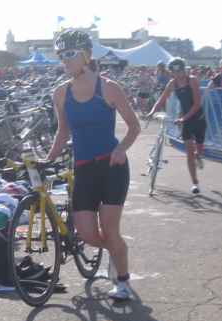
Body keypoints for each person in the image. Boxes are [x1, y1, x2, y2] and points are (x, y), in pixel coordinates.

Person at [46, 30, 141, 300]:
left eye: (69, 54)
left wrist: (122, 148)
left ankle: (122, 280)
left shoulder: (108, 87)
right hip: (84, 169)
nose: (64, 60)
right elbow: (62, 132)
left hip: (112, 167)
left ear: (86, 54)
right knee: (87, 233)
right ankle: (116, 251)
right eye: (60, 55)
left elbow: (134, 125)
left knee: (110, 230)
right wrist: (48, 160)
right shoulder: (60, 93)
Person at [147, 57, 206, 194]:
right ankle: (195, 183)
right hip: (185, 121)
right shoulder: (173, 83)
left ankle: (199, 156)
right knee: (189, 151)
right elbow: (161, 100)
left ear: (184, 70)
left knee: (199, 149)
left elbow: (197, 104)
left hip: (198, 119)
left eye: (179, 71)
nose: (177, 75)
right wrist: (151, 112)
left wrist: (184, 118)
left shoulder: (192, 80)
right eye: (174, 72)